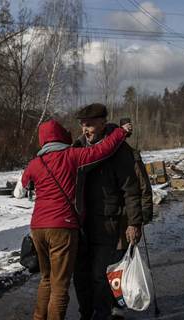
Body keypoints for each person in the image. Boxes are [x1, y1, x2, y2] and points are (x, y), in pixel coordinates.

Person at [21, 118, 131, 320]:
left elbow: (24, 183)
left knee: (46, 279)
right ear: (61, 136)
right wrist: (120, 133)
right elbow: (101, 150)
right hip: (62, 227)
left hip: (37, 227)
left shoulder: (35, 163)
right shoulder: (71, 155)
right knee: (60, 285)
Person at [72, 104, 143, 320]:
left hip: (107, 222)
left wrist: (134, 222)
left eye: (90, 125)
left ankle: (102, 314)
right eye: (83, 125)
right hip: (81, 224)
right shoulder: (77, 147)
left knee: (99, 275)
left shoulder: (119, 150)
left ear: (103, 123)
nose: (86, 130)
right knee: (81, 275)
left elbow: (131, 189)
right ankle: (86, 314)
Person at [120, 117, 153, 225]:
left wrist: (145, 211)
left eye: (131, 125)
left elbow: (144, 185)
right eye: (127, 125)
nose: (130, 127)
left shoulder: (132, 153)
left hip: (128, 214)